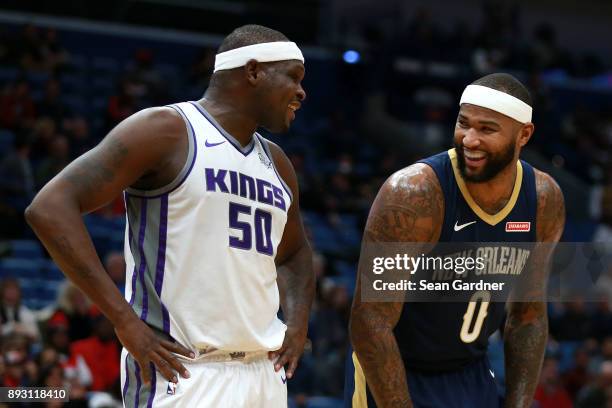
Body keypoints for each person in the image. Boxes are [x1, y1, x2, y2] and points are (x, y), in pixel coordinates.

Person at [26, 24, 314, 407]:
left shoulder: (277, 162)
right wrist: (125, 321)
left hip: (264, 375)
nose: (301, 91)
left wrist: (297, 324)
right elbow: (50, 207)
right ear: (253, 71)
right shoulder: (167, 131)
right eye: (293, 77)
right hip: (184, 372)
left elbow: (294, 253)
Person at [346, 73, 565, 407]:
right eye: (464, 123)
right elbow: (370, 321)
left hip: (470, 374)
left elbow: (528, 316)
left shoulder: (543, 199)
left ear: (524, 135)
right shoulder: (415, 194)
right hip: (396, 368)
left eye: (487, 129)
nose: (469, 139)